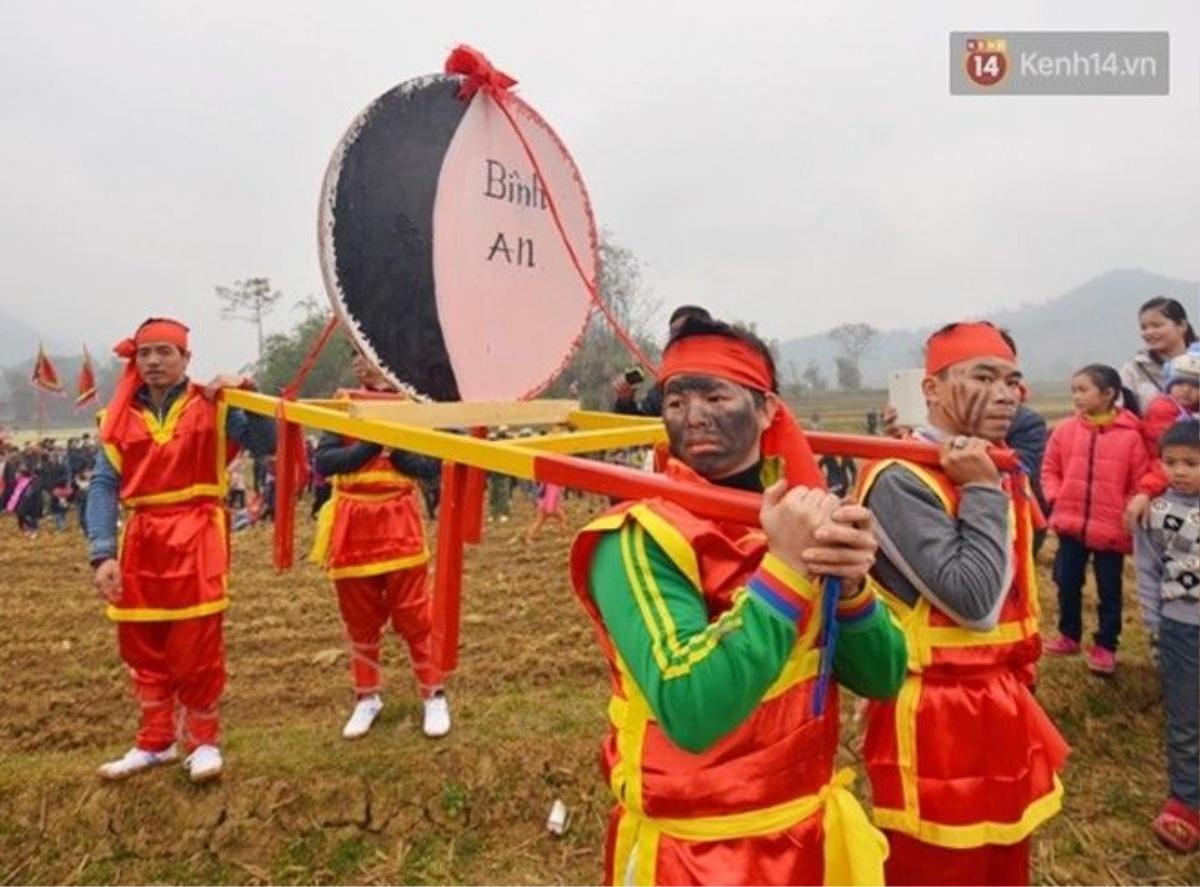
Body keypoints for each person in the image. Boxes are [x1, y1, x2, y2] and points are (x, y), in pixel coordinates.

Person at [572, 316, 906, 885]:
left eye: (714, 395)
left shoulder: (802, 514)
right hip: (698, 856)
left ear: (768, 410)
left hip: (809, 836)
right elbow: (692, 708)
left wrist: (850, 589)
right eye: (676, 399)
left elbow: (884, 675)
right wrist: (786, 568)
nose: (693, 414)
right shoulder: (639, 535)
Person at [858, 321, 1069, 885]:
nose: (1005, 394)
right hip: (937, 716)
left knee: (1003, 861)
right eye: (984, 377)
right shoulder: (901, 476)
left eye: (1012, 382)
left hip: (999, 698)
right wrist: (978, 491)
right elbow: (973, 603)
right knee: (940, 866)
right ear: (931, 390)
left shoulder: (992, 463)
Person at [86, 317, 276, 782]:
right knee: (142, 643)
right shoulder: (117, 416)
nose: (152, 361)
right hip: (142, 537)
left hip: (197, 534)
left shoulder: (215, 404)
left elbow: (268, 442)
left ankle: (203, 742)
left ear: (186, 358)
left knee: (196, 643)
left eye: (163, 352)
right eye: (145, 353)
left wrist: (248, 389)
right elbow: (104, 484)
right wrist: (102, 551)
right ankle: (155, 741)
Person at [310, 353, 450, 741]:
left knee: (415, 616)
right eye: (352, 356)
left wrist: (401, 453)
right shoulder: (345, 401)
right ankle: (366, 696)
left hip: (398, 520)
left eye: (366, 356)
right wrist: (370, 447)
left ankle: (433, 693)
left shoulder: (413, 402)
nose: (358, 364)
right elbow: (325, 461)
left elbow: (431, 462)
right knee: (360, 618)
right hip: (352, 524)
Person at [1040, 365, 1149, 674]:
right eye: (1074, 390)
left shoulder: (1131, 436)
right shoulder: (1065, 430)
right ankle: (1068, 635)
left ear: (1109, 393)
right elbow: (1049, 467)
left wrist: (1126, 510)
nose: (1076, 396)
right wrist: (1055, 496)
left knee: (1109, 589)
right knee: (1066, 581)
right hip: (1071, 523)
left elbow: (1139, 481)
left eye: (1083, 390)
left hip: (1111, 528)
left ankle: (1105, 645)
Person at [1134, 420, 1200, 854]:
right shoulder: (1152, 514)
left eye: (1191, 463)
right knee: (1185, 717)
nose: (1179, 471)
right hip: (1181, 628)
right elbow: (1147, 571)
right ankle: (1187, 802)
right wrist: (1155, 625)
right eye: (1170, 462)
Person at [1125, 346, 1200, 530]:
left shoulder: (1192, 413)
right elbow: (1166, 459)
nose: (1186, 390)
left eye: (1195, 385)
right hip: (1162, 483)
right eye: (1180, 383)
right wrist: (1148, 490)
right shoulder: (1163, 411)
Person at [611, 305, 711, 416]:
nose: (677, 340)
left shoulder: (726, 385)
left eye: (686, 333)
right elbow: (638, 427)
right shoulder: (663, 388)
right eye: (673, 334)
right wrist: (625, 402)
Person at [1120, 296, 1197, 413]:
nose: (1149, 332)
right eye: (1144, 327)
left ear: (1182, 326)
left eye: (1157, 325)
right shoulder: (1133, 370)